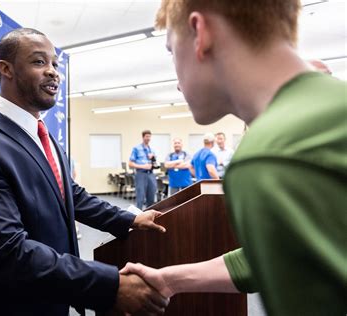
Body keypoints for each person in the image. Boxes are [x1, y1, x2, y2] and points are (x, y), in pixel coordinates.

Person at [122, 1, 346, 315]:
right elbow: (282, 253)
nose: (176, 80)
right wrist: (170, 279)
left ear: (201, 33)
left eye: (173, 52)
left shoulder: (268, 158)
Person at [0, 28, 169, 316]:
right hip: (5, 306)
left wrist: (131, 218)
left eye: (55, 64)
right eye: (38, 62)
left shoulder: (41, 134)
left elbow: (69, 195)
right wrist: (110, 285)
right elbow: (8, 252)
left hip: (52, 296)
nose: (53, 72)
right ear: (6, 69)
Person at [129, 130, 158, 209]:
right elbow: (130, 164)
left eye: (149, 136)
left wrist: (153, 158)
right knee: (140, 197)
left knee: (151, 197)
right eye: (146, 136)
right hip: (141, 174)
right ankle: (139, 217)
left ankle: (149, 216)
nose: (148, 138)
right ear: (143, 137)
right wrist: (143, 166)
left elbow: (155, 164)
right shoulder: (136, 149)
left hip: (151, 174)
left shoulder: (151, 149)